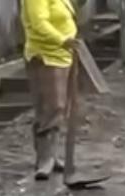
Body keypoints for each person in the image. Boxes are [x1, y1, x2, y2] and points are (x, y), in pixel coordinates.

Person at [21, 0, 77, 179]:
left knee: (61, 108)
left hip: (63, 56)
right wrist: (62, 39)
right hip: (45, 56)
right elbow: (39, 24)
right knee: (50, 107)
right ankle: (44, 159)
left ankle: (52, 156)